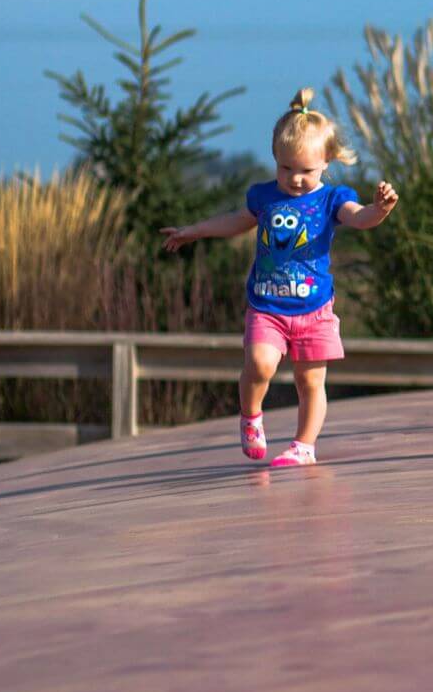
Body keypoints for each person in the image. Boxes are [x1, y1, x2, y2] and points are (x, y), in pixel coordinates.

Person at [161, 89, 397, 466]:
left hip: (314, 310)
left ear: (326, 162)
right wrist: (196, 230)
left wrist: (380, 209)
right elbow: (236, 221)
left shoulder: (333, 199)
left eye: (306, 170)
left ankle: (304, 446)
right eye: (285, 169)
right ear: (275, 160)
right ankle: (251, 416)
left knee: (311, 383)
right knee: (260, 363)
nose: (295, 179)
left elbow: (360, 217)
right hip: (267, 307)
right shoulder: (265, 197)